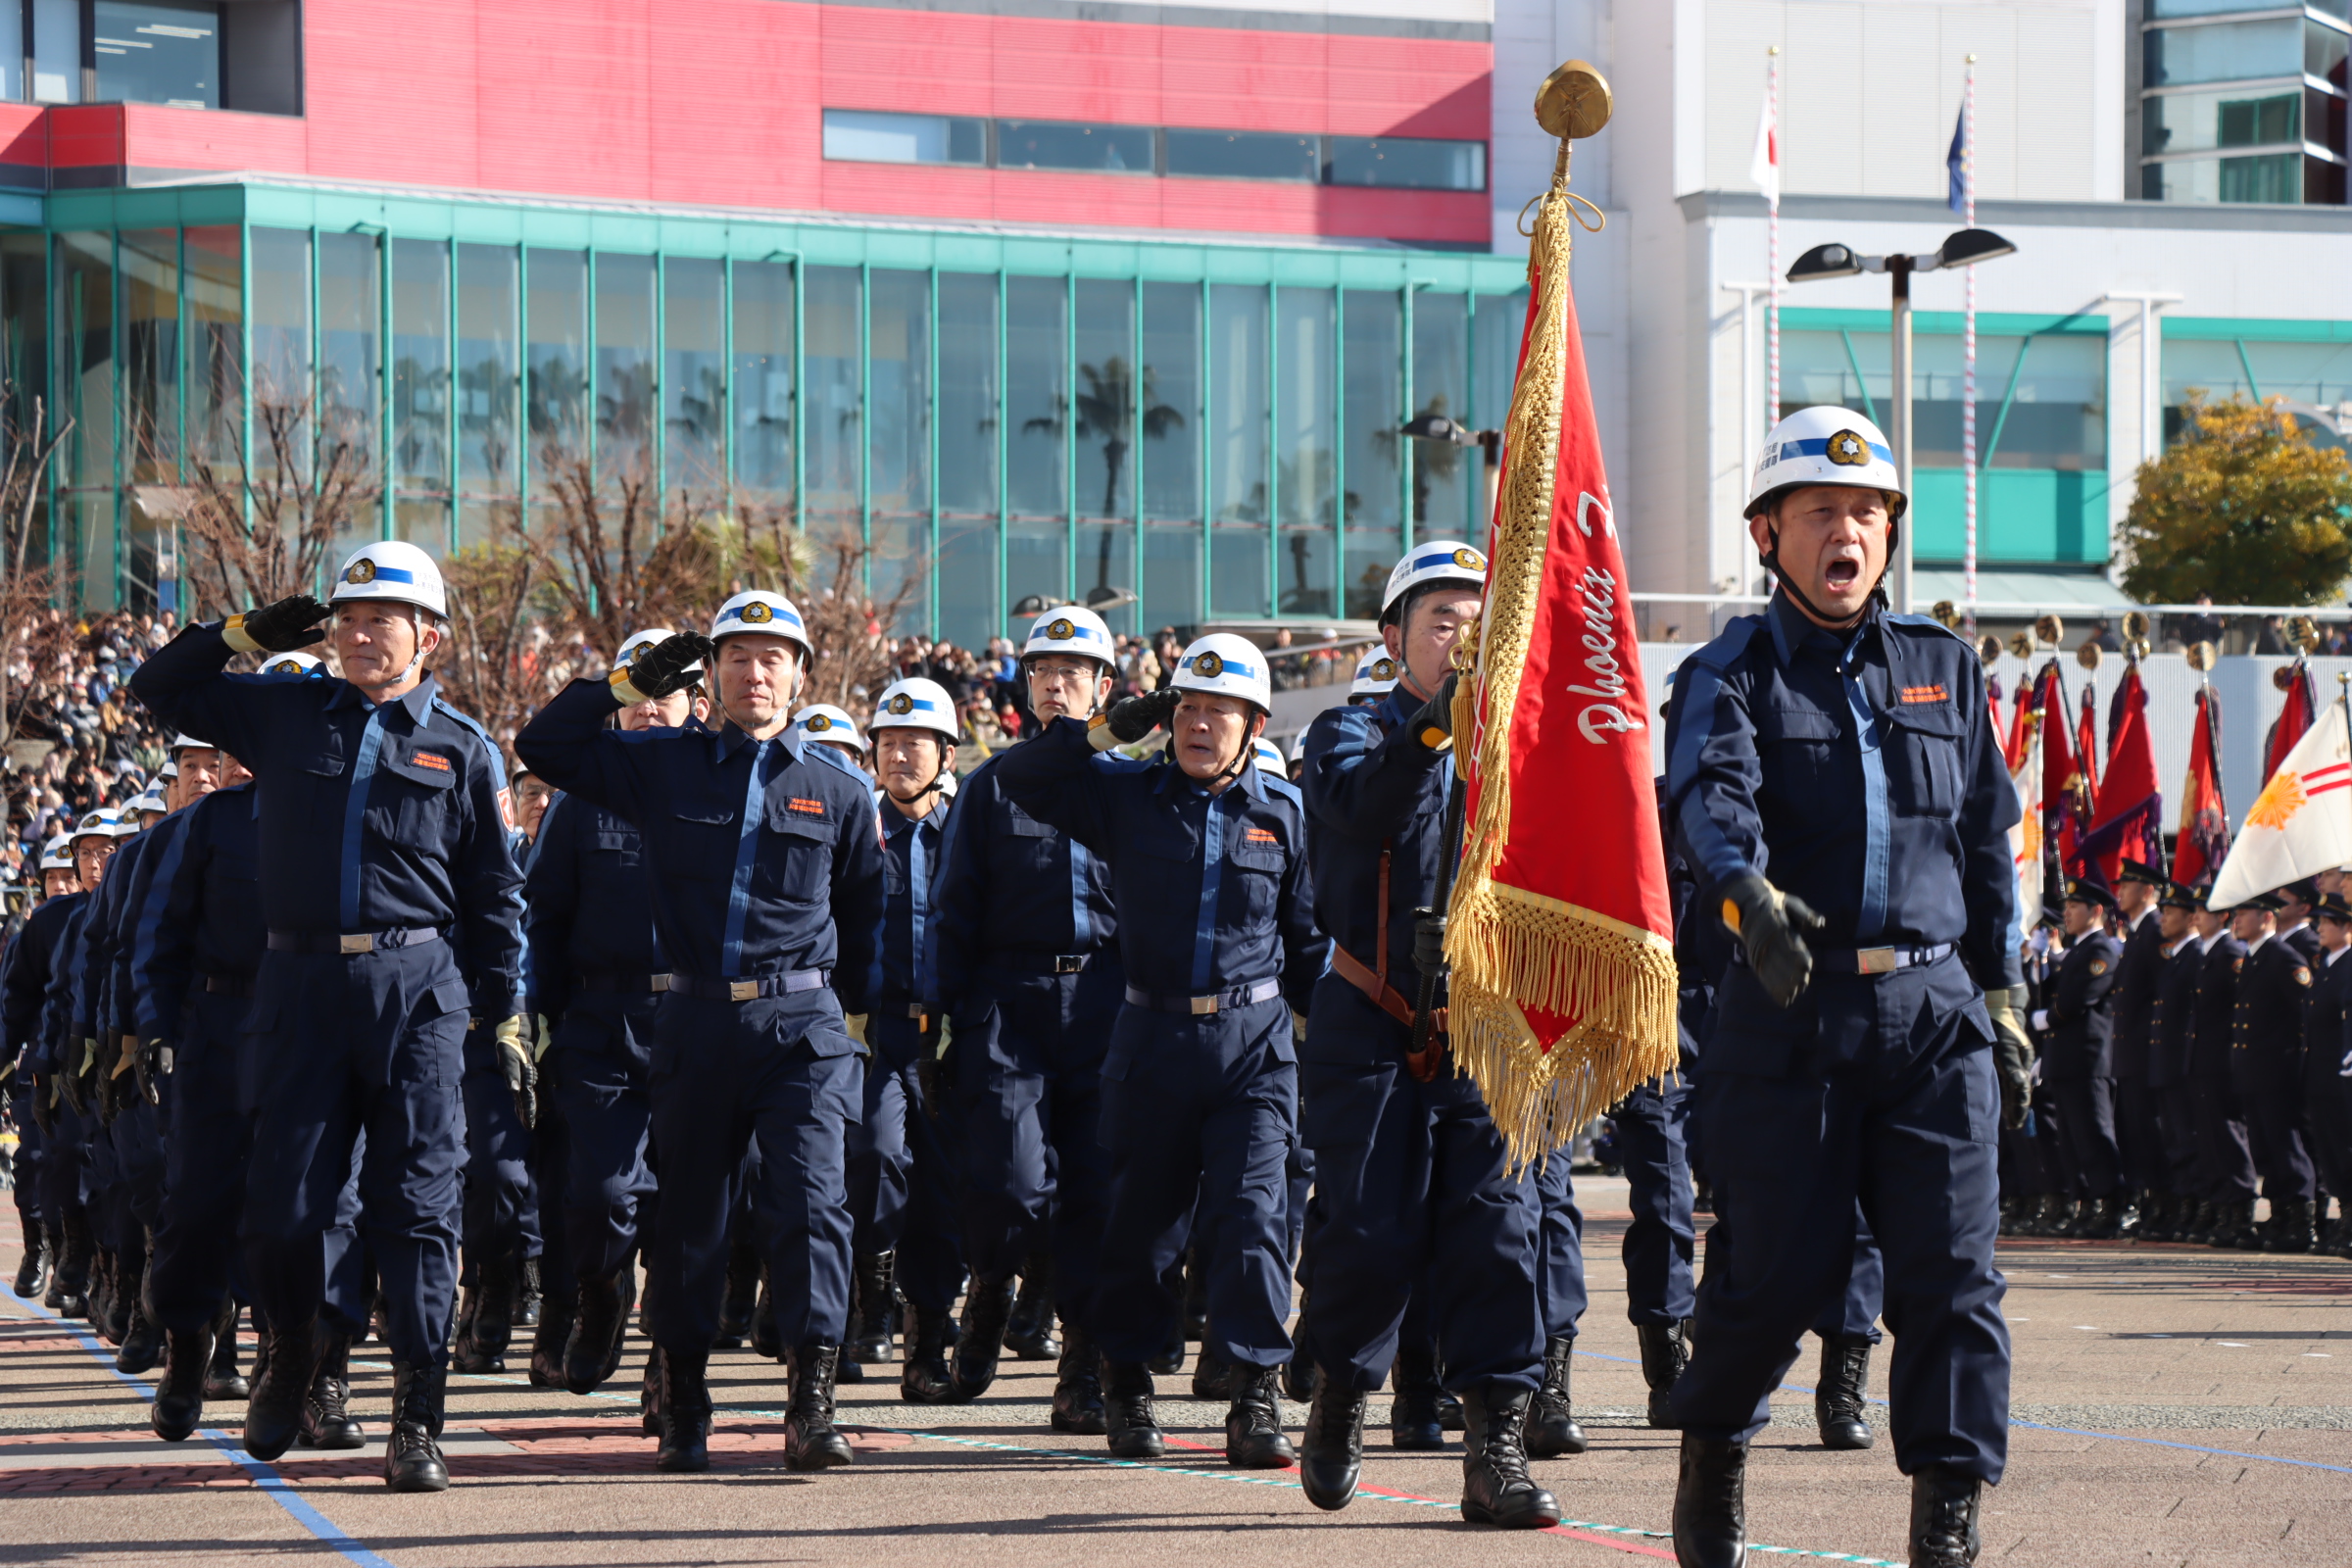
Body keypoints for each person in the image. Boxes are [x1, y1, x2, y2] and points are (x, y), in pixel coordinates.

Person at [1662, 406, 2027, 1568]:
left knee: (1954, 1275)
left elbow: (1987, 839)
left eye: (1868, 513)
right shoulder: (1728, 671)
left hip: (1934, 1015)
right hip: (1790, 1009)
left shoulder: (1943, 665)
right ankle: (1715, 1445)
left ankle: (1949, 1504)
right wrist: (1745, 893)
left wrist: (2006, 995)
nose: (1848, 533)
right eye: (1821, 511)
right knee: (1775, 1275)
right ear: (1768, 533)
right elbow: (1709, 799)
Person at [129, 539, 527, 1493]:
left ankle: (416, 1416)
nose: (357, 634)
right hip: (298, 987)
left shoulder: (462, 747)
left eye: (380, 619)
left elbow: (493, 895)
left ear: (428, 637)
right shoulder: (285, 714)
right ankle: (294, 1347)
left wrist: (501, 1012)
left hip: (417, 991)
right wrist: (239, 632)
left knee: (420, 1209)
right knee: (284, 1206)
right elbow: (159, 688)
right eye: (345, 619)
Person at [514, 588, 884, 1475]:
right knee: (690, 1219)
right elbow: (543, 747)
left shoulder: (838, 790)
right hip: (694, 1020)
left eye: (772, 659)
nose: (755, 673)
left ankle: (811, 1399)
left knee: (811, 1205)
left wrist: (854, 1033)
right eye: (736, 658)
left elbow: (867, 916)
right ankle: (683, 1394)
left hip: (802, 1028)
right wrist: (623, 685)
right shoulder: (660, 765)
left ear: (799, 676)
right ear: (709, 674)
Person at [992, 632, 1329, 1469]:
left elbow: (1308, 945)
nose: (1198, 725)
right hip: (1151, 1040)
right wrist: (1108, 728)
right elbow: (1021, 776)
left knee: (1254, 1220)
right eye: (1187, 709)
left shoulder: (1284, 815)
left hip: (1254, 1048)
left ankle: (1253, 1396)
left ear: (1254, 725)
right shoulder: (1126, 794)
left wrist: (1340, 1042)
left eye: (1219, 711)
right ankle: (1129, 1383)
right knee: (1143, 1230)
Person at [1292, 541, 1563, 1529]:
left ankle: (1493, 1447)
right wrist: (1434, 730)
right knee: (1368, 1228)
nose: (1462, 635)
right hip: (1370, 1014)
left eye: (1478, 620)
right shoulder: (1347, 729)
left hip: (1486, 1021)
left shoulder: (1523, 744)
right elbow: (1361, 806)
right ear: (1393, 635)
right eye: (1441, 618)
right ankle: (1341, 1391)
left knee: (1500, 1230)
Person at [927, 605, 1136, 1426]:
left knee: (1096, 1196)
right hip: (1009, 1006)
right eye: (1043, 671)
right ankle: (991, 1286)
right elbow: (952, 907)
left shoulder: (1132, 787)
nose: (1056, 684)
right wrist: (939, 1028)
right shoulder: (993, 784)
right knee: (1009, 1185)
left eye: (1074, 672)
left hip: (1107, 1005)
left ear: (1105, 687)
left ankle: (1080, 1368)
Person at [521, 628, 708, 1406]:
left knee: (685, 1210)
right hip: (603, 1022)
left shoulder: (723, 790)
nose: (648, 709)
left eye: (664, 694)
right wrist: (536, 1023)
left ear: (699, 705)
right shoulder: (580, 801)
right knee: (599, 1193)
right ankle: (601, 1296)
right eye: (636, 695)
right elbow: (544, 919)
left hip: (697, 1018)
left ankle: (668, 1360)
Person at [842, 675, 963, 1385]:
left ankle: (928, 1338)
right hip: (876, 1032)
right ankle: (871, 1295)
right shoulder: (858, 830)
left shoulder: (968, 835)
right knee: (874, 1156)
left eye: (915, 743)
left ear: (946, 755)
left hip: (950, 1034)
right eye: (888, 742)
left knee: (944, 1190)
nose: (899, 755)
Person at [2034, 880, 2127, 1237]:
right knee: (2072, 1139)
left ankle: (2112, 1205)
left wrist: (2047, 1018)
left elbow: (2077, 999)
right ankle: (2086, 1204)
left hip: (2088, 1060)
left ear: (2096, 911)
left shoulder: (2100, 949)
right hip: (2065, 1059)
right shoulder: (2078, 950)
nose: (2067, 913)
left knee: (2094, 1135)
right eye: (2067, 906)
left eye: (2075, 906)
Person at [2230, 885, 2319, 1252]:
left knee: (2286, 1146)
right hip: (2255, 1071)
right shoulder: (2254, 957)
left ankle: (2300, 1220)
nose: (2236, 920)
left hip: (2278, 1071)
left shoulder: (2282, 957)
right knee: (2266, 1148)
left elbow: (2307, 1012)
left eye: (2243, 914)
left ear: (2266, 917)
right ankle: (2280, 1215)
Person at [2140, 881, 2210, 1243]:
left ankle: (2196, 1206)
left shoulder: (2195, 955)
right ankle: (2184, 1205)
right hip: (2165, 1065)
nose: (2163, 919)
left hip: (2182, 1065)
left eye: (2171, 913)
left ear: (2191, 918)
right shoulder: (2176, 956)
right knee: (2174, 1139)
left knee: (2189, 1139)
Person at [2106, 861, 2167, 1237]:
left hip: (2146, 1052)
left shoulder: (2156, 929)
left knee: (2150, 1131)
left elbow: (2164, 992)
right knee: (2134, 1133)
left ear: (2146, 890)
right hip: (2130, 1054)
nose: (2119, 892)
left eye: (2126, 885)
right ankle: (2147, 1203)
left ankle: (2161, 1205)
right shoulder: (2138, 932)